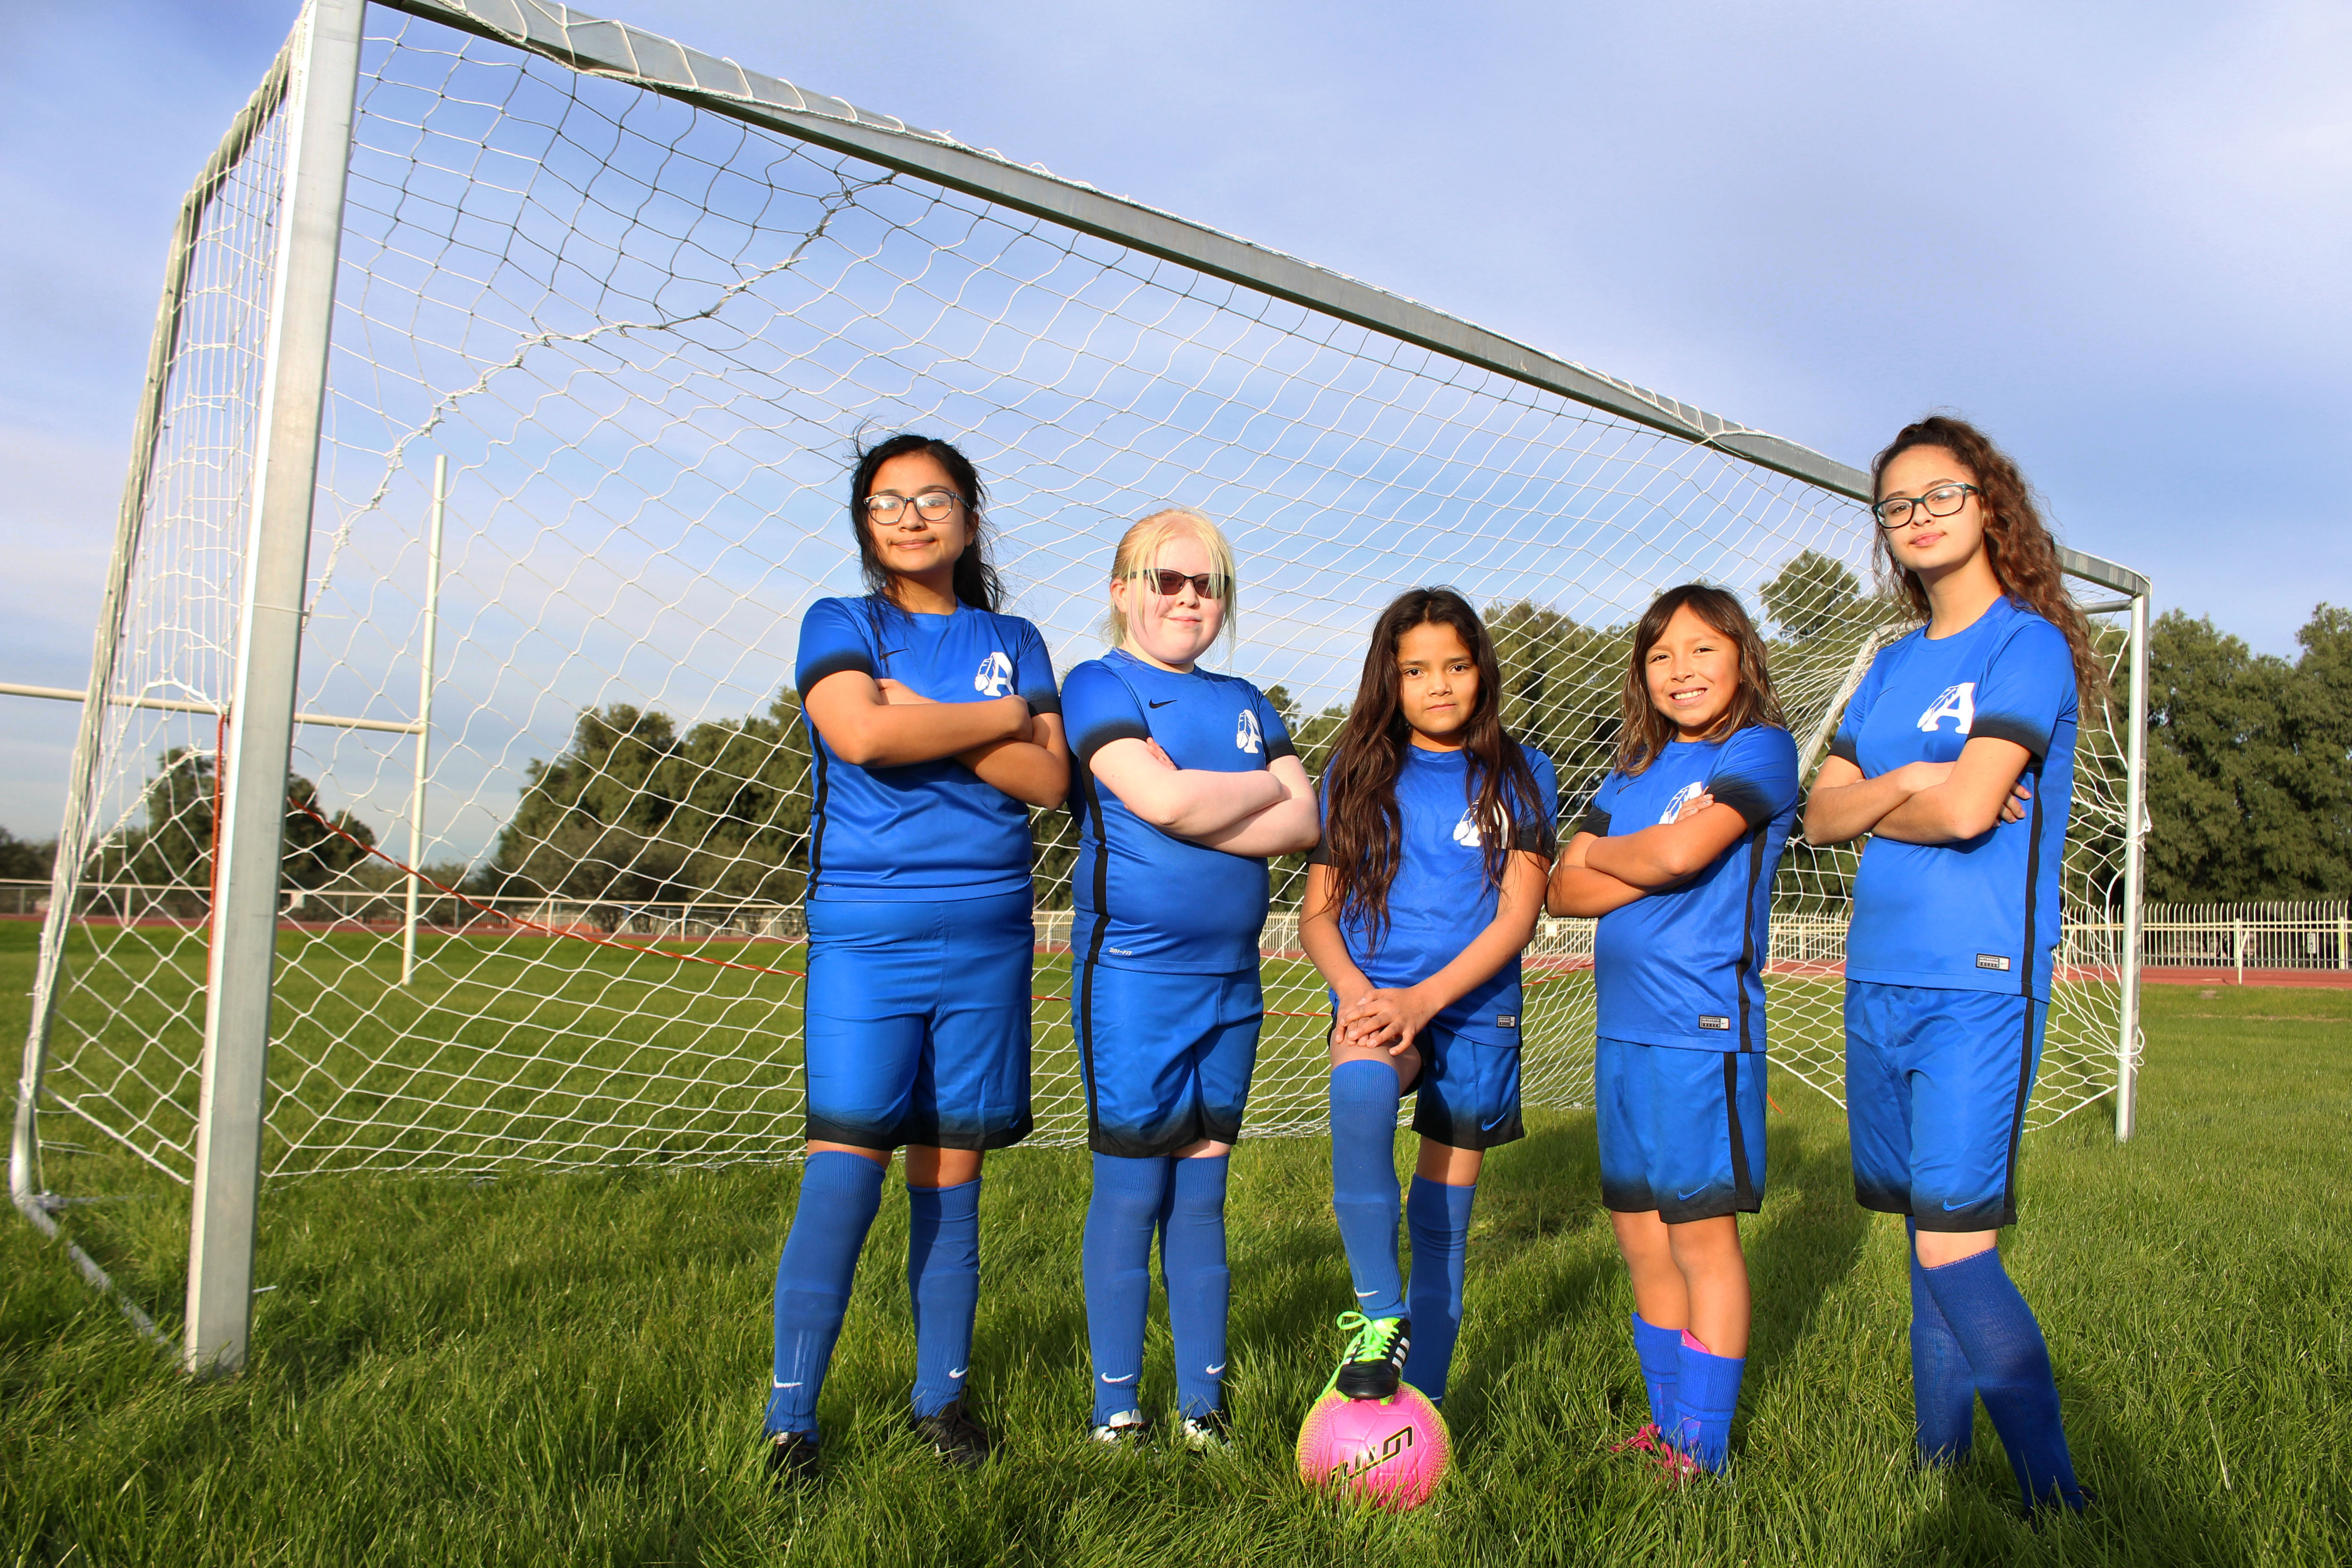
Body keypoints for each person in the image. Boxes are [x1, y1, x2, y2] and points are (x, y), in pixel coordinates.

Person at [1804, 415, 2098, 1516]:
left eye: (1939, 495)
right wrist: (1906, 783)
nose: (1917, 518)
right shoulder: (1888, 665)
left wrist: (1900, 790)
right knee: (1924, 1240)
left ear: (1989, 504)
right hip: (1875, 977)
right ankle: (1940, 1477)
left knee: (1956, 1247)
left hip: (1979, 980)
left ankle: (2058, 1502)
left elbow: (1977, 806)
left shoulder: (2025, 644)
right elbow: (1818, 812)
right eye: (1896, 506)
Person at [764, 433, 1068, 1485]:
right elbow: (859, 737)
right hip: (867, 938)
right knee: (843, 1179)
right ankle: (790, 1421)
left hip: (987, 939)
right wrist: (996, 718)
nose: (909, 516)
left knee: (952, 1185)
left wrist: (920, 717)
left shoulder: (1014, 633)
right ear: (864, 524)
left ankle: (940, 1402)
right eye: (886, 502)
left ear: (969, 520)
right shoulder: (839, 623)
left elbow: (1049, 779)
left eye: (932, 498)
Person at [1059, 507, 1320, 1450]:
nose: (1186, 598)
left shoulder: (1248, 698)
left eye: (1205, 584)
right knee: (1133, 1192)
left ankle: (1203, 1407)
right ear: (1122, 590)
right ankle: (1116, 1411)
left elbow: (1308, 821)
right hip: (1134, 979)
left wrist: (1214, 798)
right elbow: (1160, 797)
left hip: (1232, 984)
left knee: (1205, 1195)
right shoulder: (1098, 681)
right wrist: (1264, 787)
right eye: (1165, 580)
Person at [1548, 584, 1800, 1477]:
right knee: (1640, 1234)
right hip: (1621, 1031)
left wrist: (1627, 852)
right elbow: (1560, 889)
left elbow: (1687, 854)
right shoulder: (1627, 774)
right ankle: (1666, 1429)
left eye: (1701, 649)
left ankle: (1702, 1448)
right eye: (1660, 655)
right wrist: (1648, 848)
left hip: (1702, 1027)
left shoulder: (1761, 749)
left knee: (1700, 1240)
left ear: (1741, 656)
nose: (1681, 669)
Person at [1297, 588, 1557, 1410]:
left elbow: (1519, 913)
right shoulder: (1354, 768)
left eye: (1454, 665)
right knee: (1361, 1084)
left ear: (1480, 669)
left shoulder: (1523, 772)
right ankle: (1379, 1315)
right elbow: (1315, 917)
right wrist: (1358, 993)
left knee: (1441, 1217)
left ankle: (1428, 1405)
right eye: (1415, 670)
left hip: (1474, 1007)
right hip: (1376, 1001)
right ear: (1390, 677)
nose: (1438, 684)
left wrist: (1427, 998)